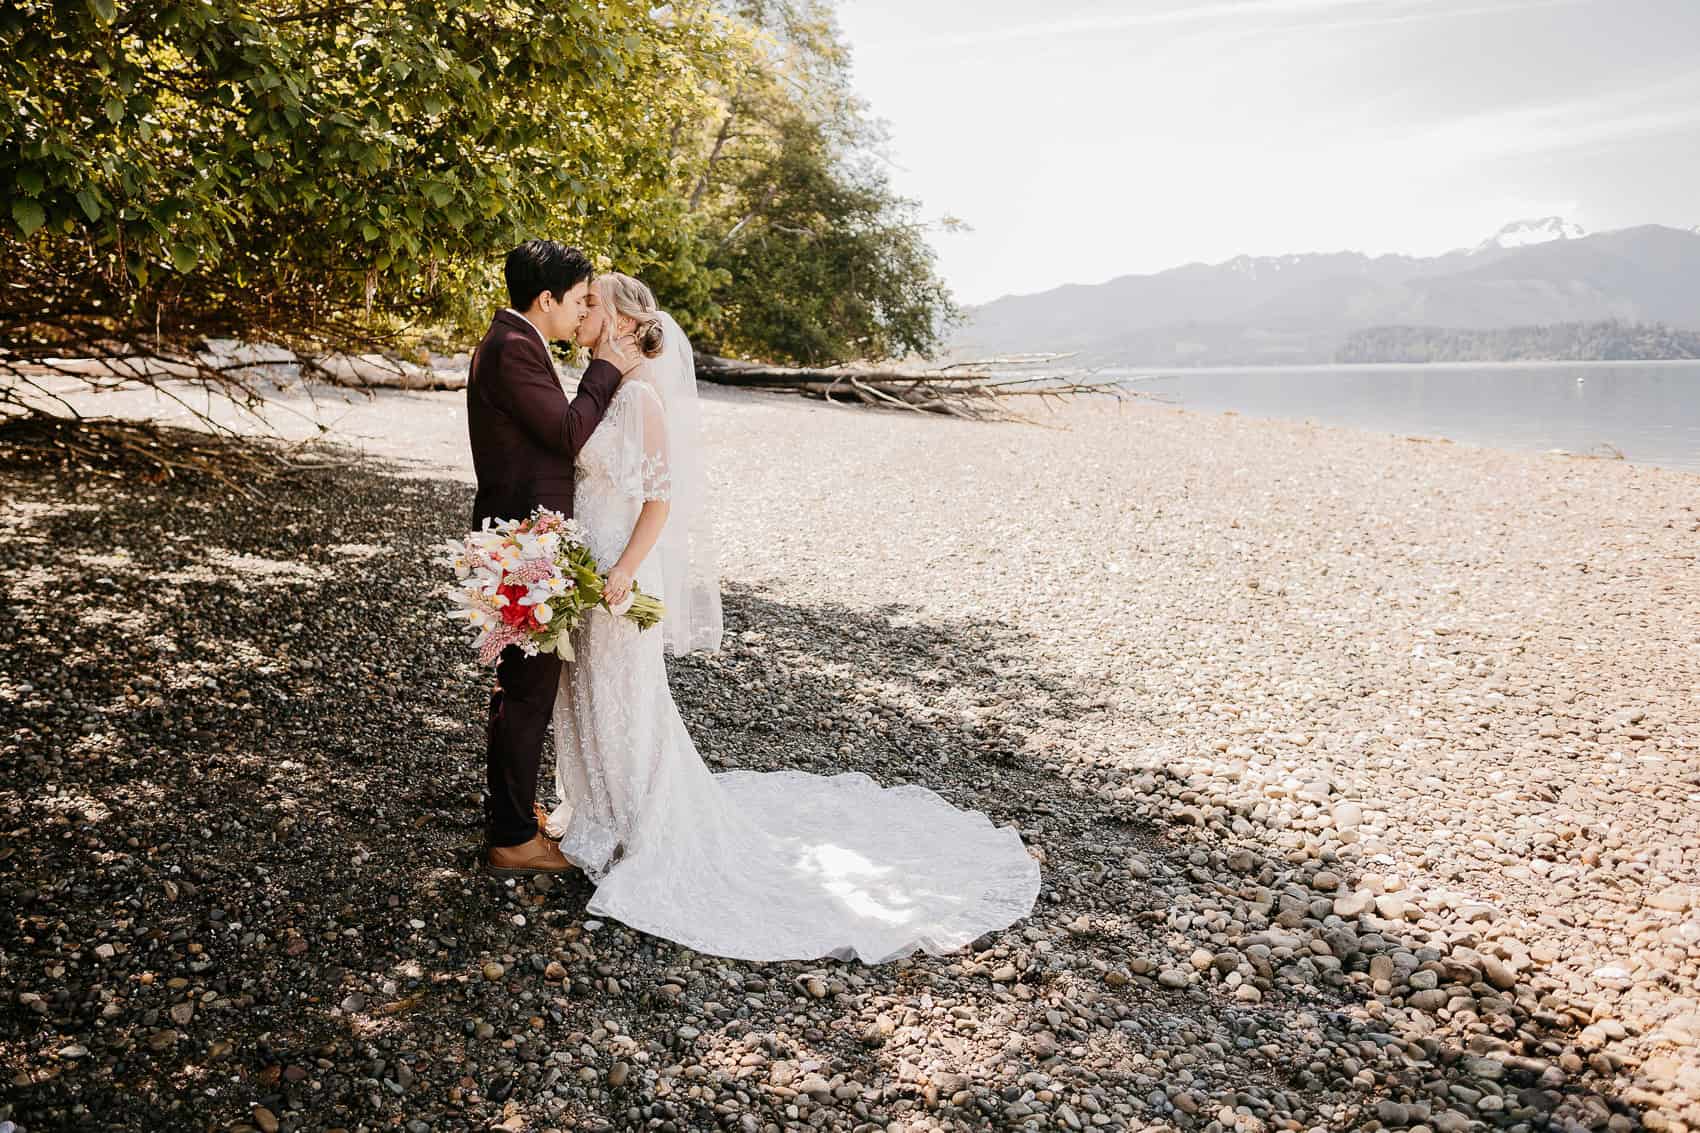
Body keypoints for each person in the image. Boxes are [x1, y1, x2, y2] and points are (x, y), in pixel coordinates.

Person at [538, 272, 1040, 962]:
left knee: (626, 694)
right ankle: (594, 812)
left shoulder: (644, 398)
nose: (583, 310)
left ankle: (640, 824)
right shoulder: (601, 391)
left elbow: (659, 500)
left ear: (624, 323)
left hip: (623, 571)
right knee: (586, 689)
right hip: (586, 570)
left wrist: (623, 568)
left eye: (593, 304)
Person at [465, 240, 641, 877]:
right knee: (527, 692)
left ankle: (511, 814)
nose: (581, 311)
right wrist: (610, 369)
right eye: (576, 300)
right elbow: (569, 434)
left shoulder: (514, 343)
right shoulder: (513, 349)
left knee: (520, 687)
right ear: (546, 299)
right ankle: (511, 838)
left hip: (523, 538)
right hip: (524, 546)